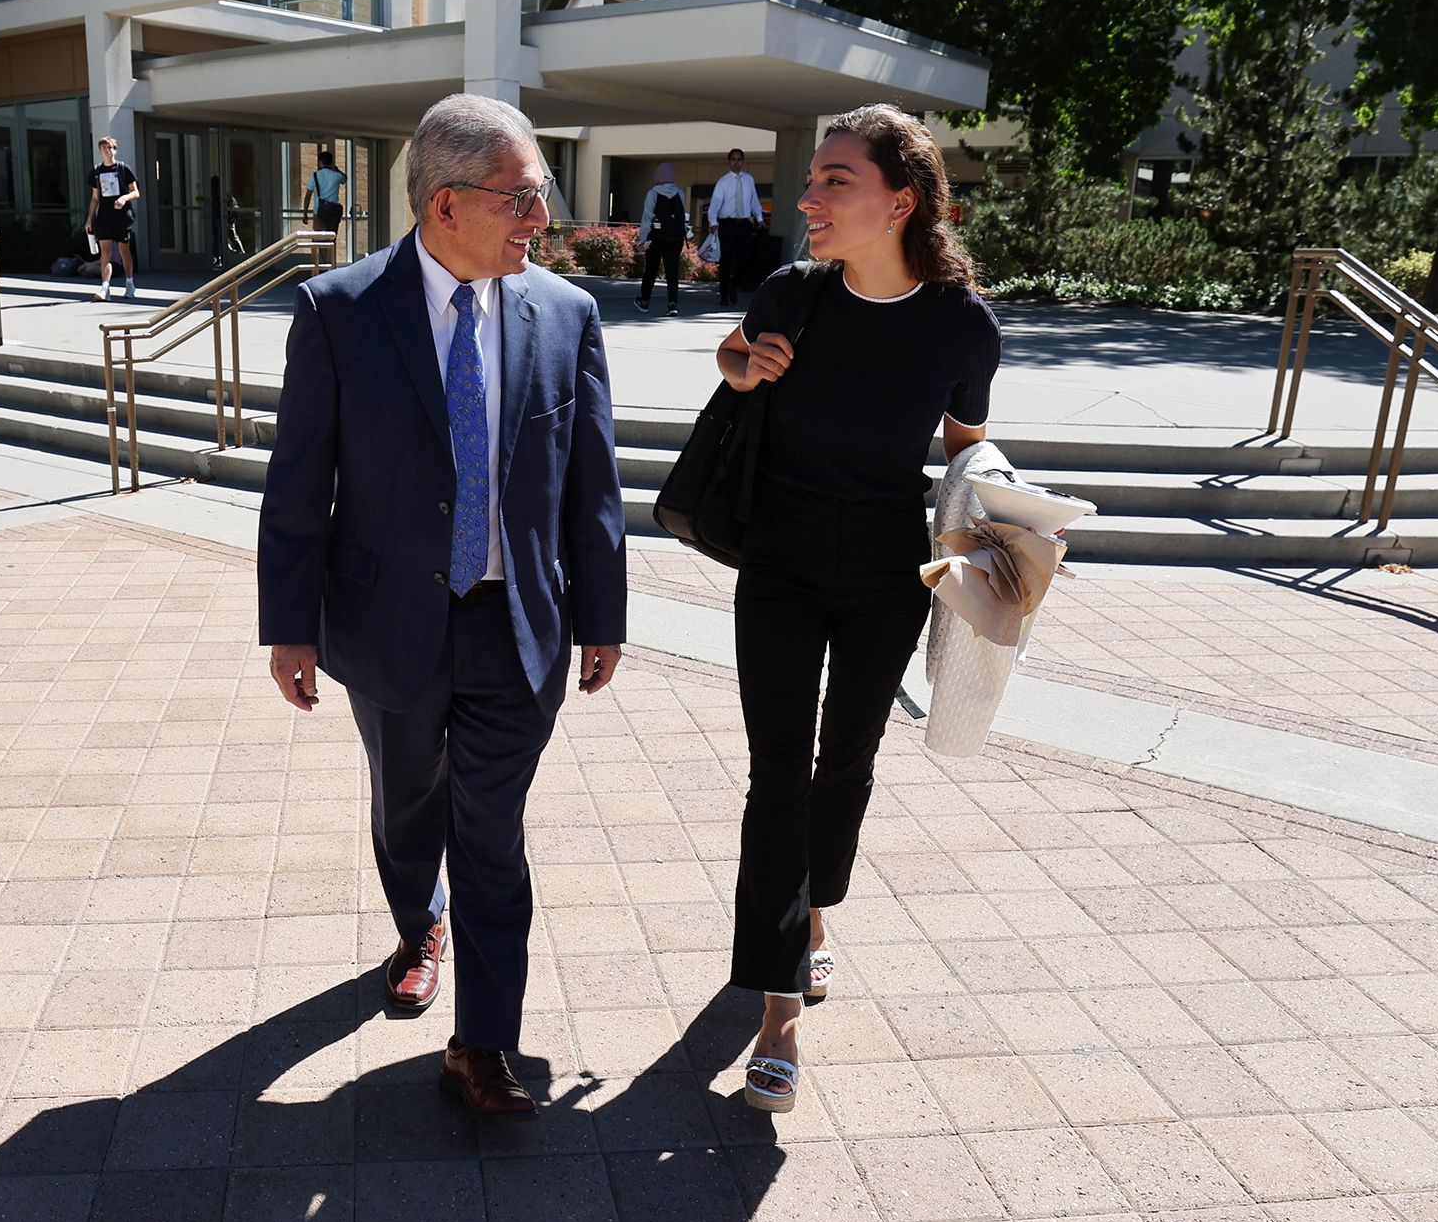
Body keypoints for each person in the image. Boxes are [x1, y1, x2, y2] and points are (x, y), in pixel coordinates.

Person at [258, 93, 628, 1116]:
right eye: (523, 199)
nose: (540, 222)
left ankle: (484, 1044)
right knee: (407, 800)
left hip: (520, 629)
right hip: (384, 622)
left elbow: (591, 480)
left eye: (540, 198)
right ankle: (418, 920)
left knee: (493, 834)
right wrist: (288, 622)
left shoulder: (567, 316)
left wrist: (605, 614)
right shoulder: (340, 311)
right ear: (446, 202)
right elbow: (300, 478)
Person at [712, 105, 1000, 1111]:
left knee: (849, 765)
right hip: (781, 556)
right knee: (778, 775)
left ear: (900, 201)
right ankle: (778, 1005)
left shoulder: (963, 323)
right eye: (814, 179)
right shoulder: (793, 290)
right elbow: (729, 355)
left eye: (837, 179)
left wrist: (1003, 531)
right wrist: (748, 363)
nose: (809, 196)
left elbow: (968, 447)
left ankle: (814, 912)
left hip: (885, 564)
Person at [706, 147, 767, 309]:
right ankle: (724, 293)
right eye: (733, 159)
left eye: (739, 159)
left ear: (743, 161)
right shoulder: (723, 182)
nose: (736, 162)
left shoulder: (748, 179)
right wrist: (713, 222)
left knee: (746, 257)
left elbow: (754, 200)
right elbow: (715, 205)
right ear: (729, 162)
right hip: (727, 224)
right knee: (726, 260)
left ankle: (734, 284)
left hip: (744, 223)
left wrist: (759, 218)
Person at [88, 136, 140, 303]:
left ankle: (130, 283)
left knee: (124, 251)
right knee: (106, 252)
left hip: (122, 217)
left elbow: (136, 192)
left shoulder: (124, 169)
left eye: (110, 148)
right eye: (104, 148)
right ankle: (105, 288)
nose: (107, 151)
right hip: (104, 217)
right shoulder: (96, 171)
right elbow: (95, 198)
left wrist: (124, 198)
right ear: (100, 151)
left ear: (115, 150)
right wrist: (89, 219)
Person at [637, 162, 689, 312]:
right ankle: (673, 304)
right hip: (676, 237)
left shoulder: (653, 193)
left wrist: (643, 238)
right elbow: (684, 216)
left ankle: (644, 301)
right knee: (672, 271)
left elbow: (647, 218)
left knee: (651, 269)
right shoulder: (680, 193)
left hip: (657, 236)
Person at [307, 147, 349, 242]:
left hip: (319, 212)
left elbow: (308, 196)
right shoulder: (337, 175)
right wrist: (337, 170)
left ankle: (324, 257)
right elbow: (345, 179)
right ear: (331, 162)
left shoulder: (315, 175)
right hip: (333, 212)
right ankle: (330, 257)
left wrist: (305, 213)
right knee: (331, 240)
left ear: (320, 161)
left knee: (319, 241)